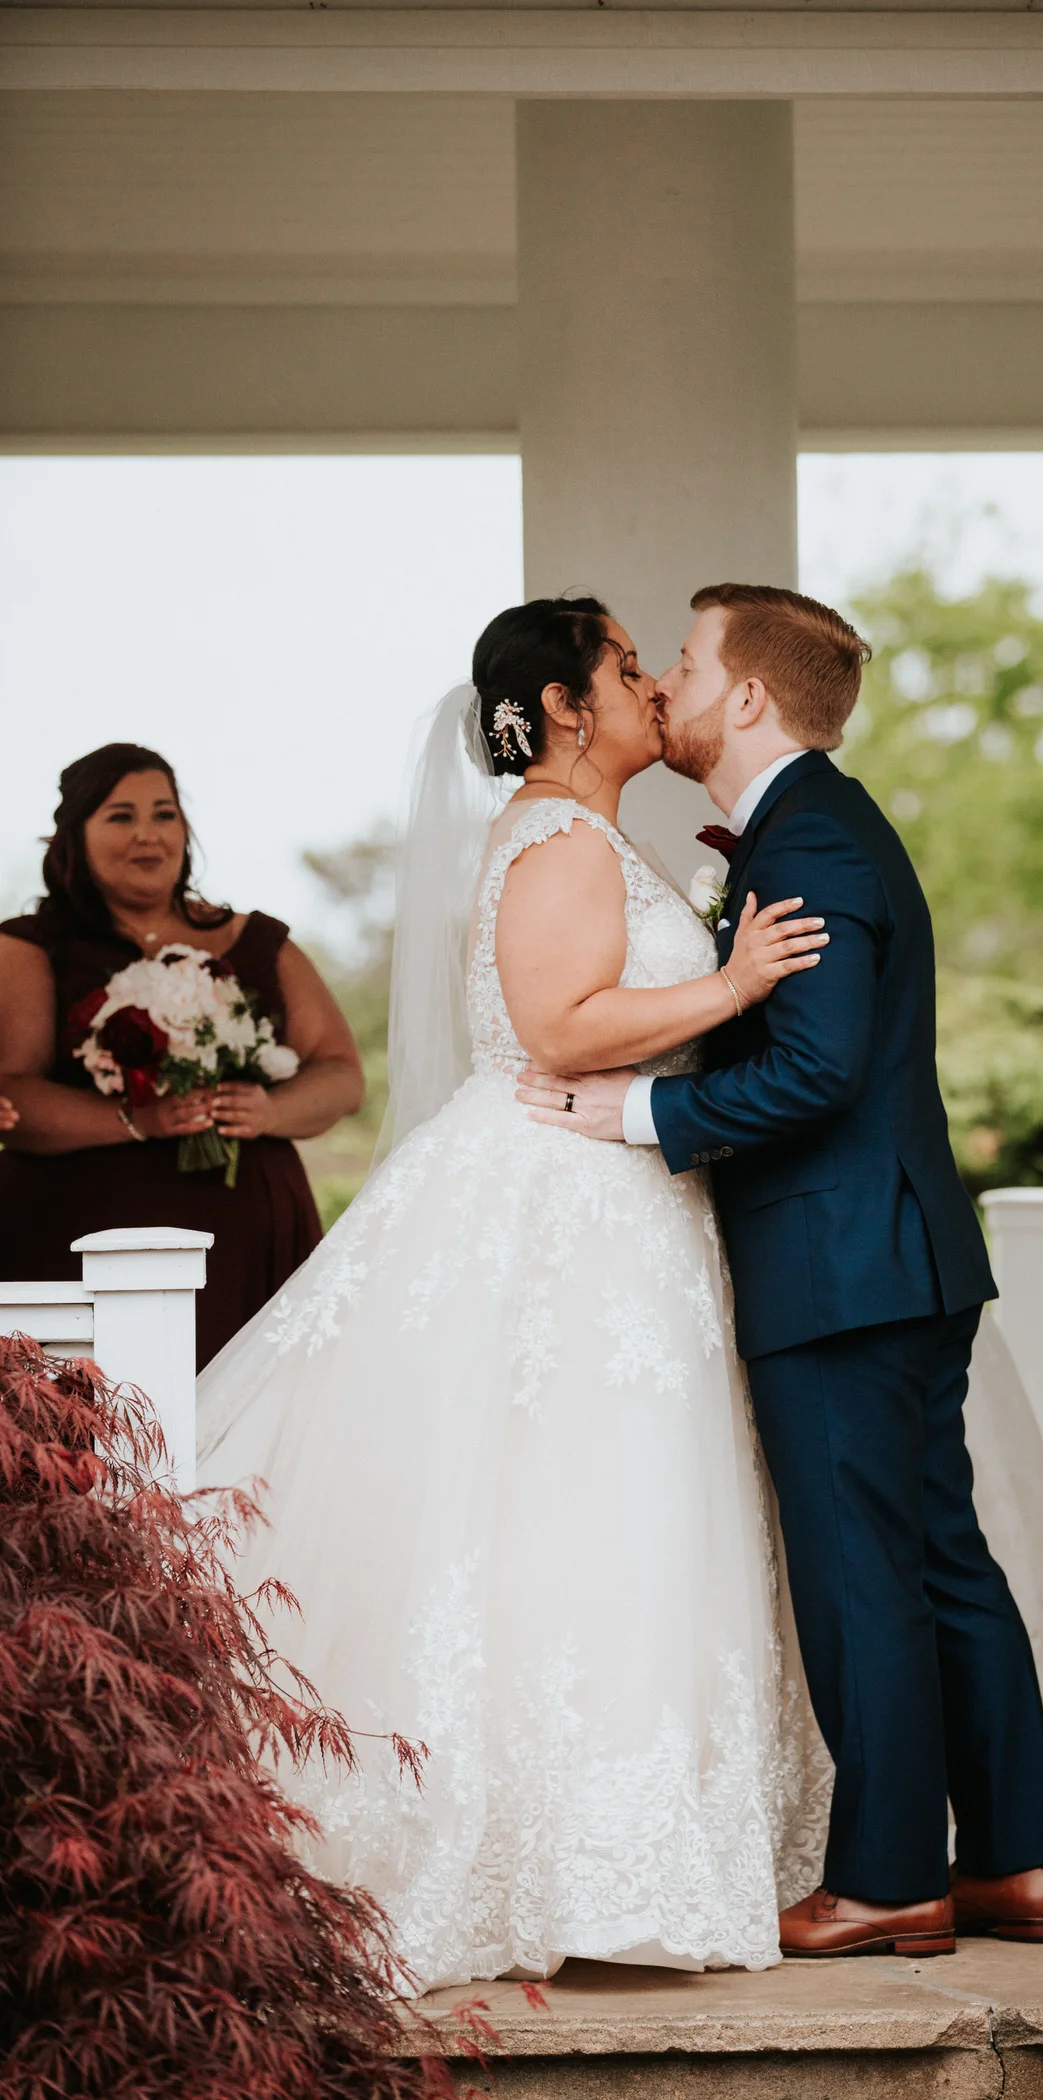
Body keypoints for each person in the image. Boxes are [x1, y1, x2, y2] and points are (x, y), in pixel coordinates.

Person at [198, 598, 837, 1986]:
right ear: (559, 705)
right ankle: (534, 1861)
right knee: (571, 1510)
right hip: (564, 1202)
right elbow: (559, 1025)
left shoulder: (589, 833)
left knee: (591, 1512)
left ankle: (595, 1855)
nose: (647, 688)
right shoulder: (555, 837)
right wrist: (730, 986)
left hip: (613, 1196)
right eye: (622, 668)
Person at [523, 584, 1043, 1957]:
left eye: (692, 661)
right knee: (941, 1559)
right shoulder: (820, 823)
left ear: (750, 697)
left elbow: (821, 1069)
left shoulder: (809, 840)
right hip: (894, 1252)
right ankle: (1017, 1865)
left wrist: (643, 1114)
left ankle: (892, 1878)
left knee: (860, 1572)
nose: (673, 685)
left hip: (837, 1260)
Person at [0, 744, 362, 1369]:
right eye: (120, 816)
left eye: (164, 814)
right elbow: (13, 1093)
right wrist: (140, 1120)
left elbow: (341, 1073)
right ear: (73, 836)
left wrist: (268, 1110)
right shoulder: (30, 947)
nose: (147, 834)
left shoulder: (256, 941)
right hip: (79, 1241)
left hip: (251, 1239)